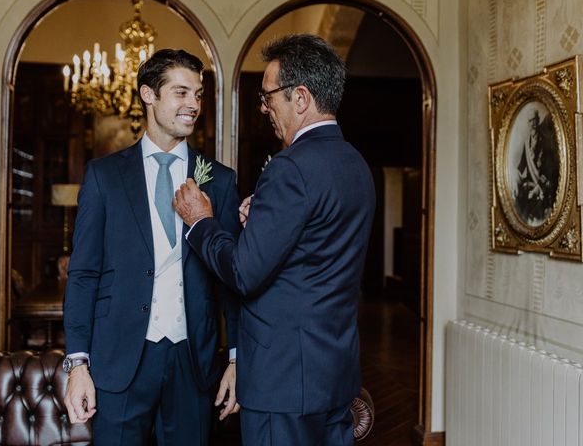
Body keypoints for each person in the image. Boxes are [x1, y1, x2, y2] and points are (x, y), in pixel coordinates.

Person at [174, 34, 375, 445]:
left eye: (268, 97)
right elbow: (316, 251)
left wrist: (201, 222)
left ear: (300, 98)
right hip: (335, 375)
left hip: (284, 382)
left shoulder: (290, 167)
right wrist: (261, 224)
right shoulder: (356, 165)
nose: (263, 108)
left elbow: (245, 273)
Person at [62, 49, 241, 445]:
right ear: (148, 94)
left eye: (198, 94)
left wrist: (236, 359)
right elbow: (83, 275)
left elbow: (233, 279)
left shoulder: (220, 181)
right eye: (181, 93)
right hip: (120, 360)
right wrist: (77, 365)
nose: (193, 105)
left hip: (194, 360)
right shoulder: (104, 176)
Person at [513, 107, 559, 225]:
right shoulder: (526, 142)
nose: (532, 124)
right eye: (530, 121)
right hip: (531, 184)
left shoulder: (546, 141)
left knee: (534, 206)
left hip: (543, 186)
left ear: (538, 121)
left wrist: (537, 189)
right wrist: (515, 178)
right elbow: (521, 167)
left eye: (534, 120)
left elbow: (549, 171)